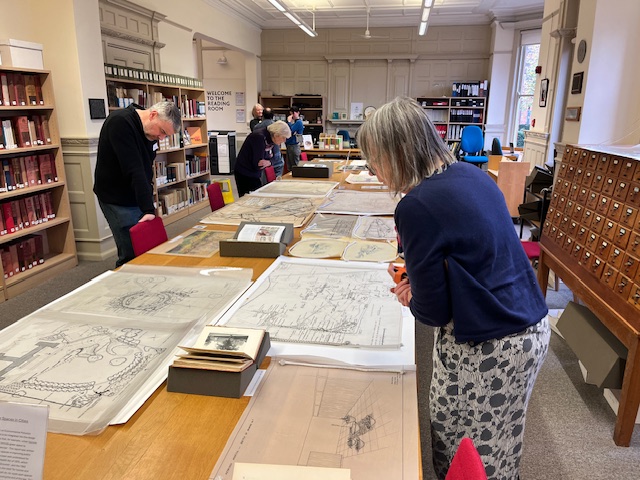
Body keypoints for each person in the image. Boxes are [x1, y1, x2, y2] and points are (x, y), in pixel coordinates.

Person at [357, 97, 550, 480]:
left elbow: (433, 312)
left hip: (488, 348)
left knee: (463, 456)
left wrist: (413, 294)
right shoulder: (470, 174)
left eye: (376, 159)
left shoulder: (416, 206)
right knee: (498, 447)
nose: (374, 170)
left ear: (399, 151)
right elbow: (471, 255)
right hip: (527, 329)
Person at [94, 101, 181, 268]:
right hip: (116, 197)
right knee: (131, 252)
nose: (161, 138)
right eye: (162, 131)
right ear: (153, 115)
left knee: (146, 248)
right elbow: (134, 169)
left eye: (166, 136)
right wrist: (149, 209)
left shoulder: (148, 130)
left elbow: (146, 167)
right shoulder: (120, 123)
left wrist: (147, 204)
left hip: (136, 194)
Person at [234, 120, 291, 196]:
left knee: (257, 195)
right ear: (277, 134)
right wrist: (269, 160)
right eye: (283, 138)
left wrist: (269, 162)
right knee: (250, 198)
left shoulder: (272, 138)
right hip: (244, 171)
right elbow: (258, 164)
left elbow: (276, 159)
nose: (284, 140)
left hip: (255, 172)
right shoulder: (259, 137)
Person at [256, 108, 284, 178]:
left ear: (263, 115)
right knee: (279, 164)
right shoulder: (276, 126)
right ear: (273, 116)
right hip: (274, 150)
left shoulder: (257, 127)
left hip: (262, 153)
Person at [285, 105, 304, 170]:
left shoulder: (298, 122)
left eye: (293, 113)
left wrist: (289, 122)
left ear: (297, 113)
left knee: (295, 165)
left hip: (294, 145)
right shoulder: (294, 123)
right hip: (289, 145)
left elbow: (290, 131)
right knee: (290, 166)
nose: (292, 116)